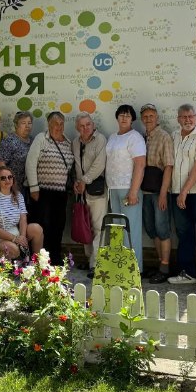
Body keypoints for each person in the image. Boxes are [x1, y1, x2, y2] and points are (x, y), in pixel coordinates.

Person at [168, 104, 196, 287]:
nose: (187, 120)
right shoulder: (173, 136)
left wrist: (184, 192)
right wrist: (177, 192)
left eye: (191, 116)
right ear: (178, 119)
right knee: (183, 233)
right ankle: (188, 272)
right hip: (176, 192)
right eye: (184, 117)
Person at [26, 111, 73, 265]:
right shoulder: (41, 139)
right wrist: (34, 188)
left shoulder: (68, 142)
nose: (58, 127)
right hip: (42, 192)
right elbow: (31, 163)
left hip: (60, 193)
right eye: (55, 123)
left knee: (58, 226)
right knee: (42, 225)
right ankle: (41, 259)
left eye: (61, 124)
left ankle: (56, 257)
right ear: (48, 124)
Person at [105, 104, 147, 273]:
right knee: (117, 228)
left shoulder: (135, 137)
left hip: (129, 188)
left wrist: (133, 191)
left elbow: (140, 164)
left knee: (131, 229)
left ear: (132, 119)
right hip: (113, 188)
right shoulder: (112, 137)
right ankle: (119, 268)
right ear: (117, 117)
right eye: (121, 115)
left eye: (128, 116)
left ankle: (133, 270)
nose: (124, 118)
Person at [139, 103, 174, 283]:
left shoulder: (164, 137)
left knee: (163, 229)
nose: (148, 119)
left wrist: (163, 193)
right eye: (145, 116)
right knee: (152, 229)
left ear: (157, 117)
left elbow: (168, 166)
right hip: (145, 191)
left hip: (159, 191)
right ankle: (160, 263)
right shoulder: (143, 137)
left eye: (151, 116)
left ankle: (165, 267)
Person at [72, 111, 107, 278]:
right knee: (85, 226)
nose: (85, 128)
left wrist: (85, 180)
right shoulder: (75, 143)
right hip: (81, 191)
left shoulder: (100, 140)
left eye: (88, 124)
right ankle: (89, 260)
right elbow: (74, 166)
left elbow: (100, 164)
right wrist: (76, 182)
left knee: (99, 227)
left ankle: (97, 264)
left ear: (93, 125)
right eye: (82, 126)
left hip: (97, 190)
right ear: (77, 128)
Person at [0, 167, 44, 260]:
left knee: (37, 229)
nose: (7, 180)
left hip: (15, 233)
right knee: (13, 249)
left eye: (10, 177)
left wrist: (23, 237)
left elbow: (23, 219)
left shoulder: (18, 196)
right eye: (3, 178)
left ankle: (38, 264)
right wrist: (15, 239)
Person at [0, 110, 33, 197]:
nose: (27, 126)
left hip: (29, 186)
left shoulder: (33, 140)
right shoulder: (9, 141)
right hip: (12, 187)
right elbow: (1, 164)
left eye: (29, 123)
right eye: (23, 123)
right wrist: (6, 185)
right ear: (16, 125)